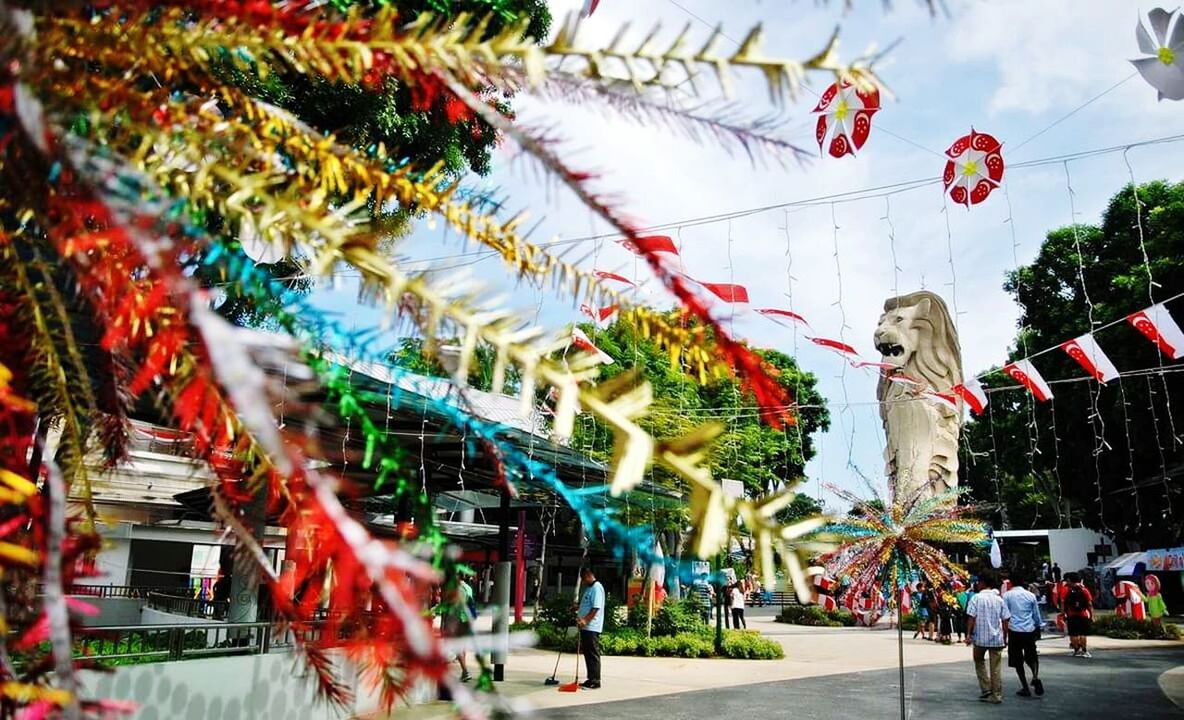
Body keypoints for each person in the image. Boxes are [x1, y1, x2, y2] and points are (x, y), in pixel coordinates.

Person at [966, 571, 1010, 705]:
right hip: (996, 638)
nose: (977, 585)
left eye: (979, 582)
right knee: (995, 668)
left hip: (980, 638)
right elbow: (1005, 620)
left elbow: (971, 617)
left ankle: (986, 688)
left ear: (983, 583)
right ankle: (996, 694)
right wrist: (1005, 636)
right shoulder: (999, 599)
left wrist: (968, 634)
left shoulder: (976, 598)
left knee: (979, 661)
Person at [1003, 572, 1044, 698]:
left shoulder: (1007, 596)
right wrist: (1037, 626)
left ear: (1011, 582)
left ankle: (1025, 687)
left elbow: (1005, 615)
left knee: (1017, 660)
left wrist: (1004, 634)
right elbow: (1036, 615)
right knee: (1032, 655)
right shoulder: (1030, 595)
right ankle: (1035, 676)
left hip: (1014, 630)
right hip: (1029, 629)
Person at [576, 567, 605, 689]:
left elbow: (595, 608)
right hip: (586, 628)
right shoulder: (589, 588)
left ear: (588, 575)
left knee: (592, 653)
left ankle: (596, 680)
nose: (583, 582)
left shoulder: (596, 588)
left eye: (583, 579)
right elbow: (587, 605)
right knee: (587, 653)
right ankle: (590, 678)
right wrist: (577, 608)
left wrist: (585, 620)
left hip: (592, 626)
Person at [1059, 571, 1094, 658]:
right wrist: (1092, 615)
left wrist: (1063, 613)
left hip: (1071, 614)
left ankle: (1076, 650)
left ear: (1069, 580)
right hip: (1083, 614)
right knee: (1083, 634)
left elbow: (1063, 603)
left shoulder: (1067, 590)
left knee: (1074, 634)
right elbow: (1089, 603)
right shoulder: (1084, 590)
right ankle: (1084, 651)